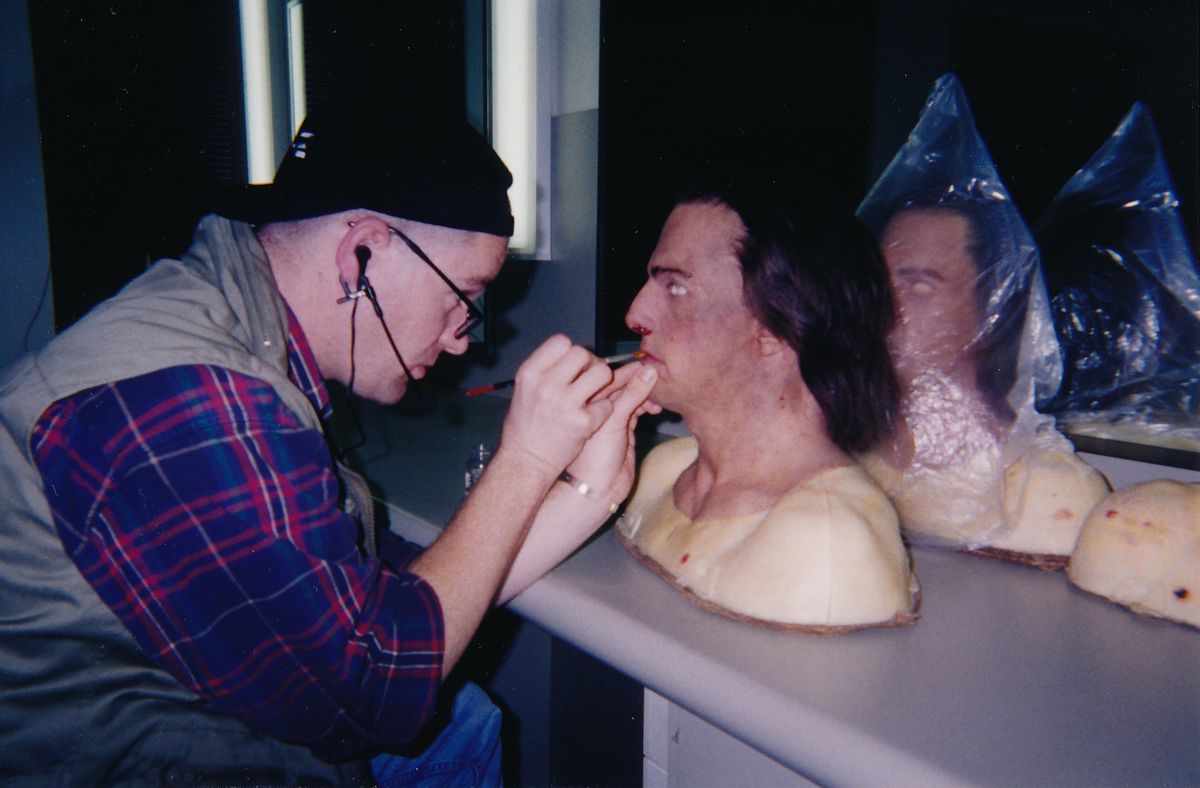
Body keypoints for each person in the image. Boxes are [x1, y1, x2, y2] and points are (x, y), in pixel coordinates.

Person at [0, 111, 658, 785]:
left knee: (464, 723)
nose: (463, 337)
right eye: (464, 297)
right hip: (117, 762)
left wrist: (591, 490)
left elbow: (392, 596)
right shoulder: (192, 397)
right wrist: (526, 459)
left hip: (193, 712)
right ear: (361, 253)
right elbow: (370, 699)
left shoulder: (242, 335)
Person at [615, 180, 919, 632]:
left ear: (777, 329)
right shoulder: (662, 474)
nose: (634, 315)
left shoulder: (828, 539)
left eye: (676, 288)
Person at [861, 200, 1109, 566]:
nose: (886, 306)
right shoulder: (850, 453)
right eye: (880, 283)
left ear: (992, 306)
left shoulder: (1045, 490)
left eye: (921, 286)